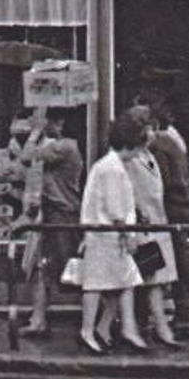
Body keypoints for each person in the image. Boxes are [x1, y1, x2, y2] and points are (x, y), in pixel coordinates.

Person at [70, 109, 155, 355]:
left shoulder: (109, 166)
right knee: (98, 285)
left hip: (106, 235)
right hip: (106, 235)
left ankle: (106, 327)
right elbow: (116, 209)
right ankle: (89, 330)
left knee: (123, 282)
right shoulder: (113, 169)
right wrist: (129, 236)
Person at [142, 97, 189, 339]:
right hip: (179, 206)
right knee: (181, 261)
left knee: (182, 262)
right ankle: (186, 312)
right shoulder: (174, 140)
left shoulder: (160, 146)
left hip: (170, 209)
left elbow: (159, 182)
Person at [120, 105, 182, 349]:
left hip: (156, 224)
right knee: (148, 279)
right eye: (148, 128)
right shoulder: (130, 160)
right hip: (143, 227)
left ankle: (153, 326)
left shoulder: (149, 156)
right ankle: (146, 327)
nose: (153, 132)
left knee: (154, 279)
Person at [21, 107, 84, 337]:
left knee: (70, 270)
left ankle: (103, 316)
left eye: (42, 117)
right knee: (43, 269)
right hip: (54, 213)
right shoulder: (61, 147)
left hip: (62, 214)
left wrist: (35, 131)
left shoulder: (65, 146)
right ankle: (38, 320)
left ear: (56, 122)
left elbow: (27, 156)